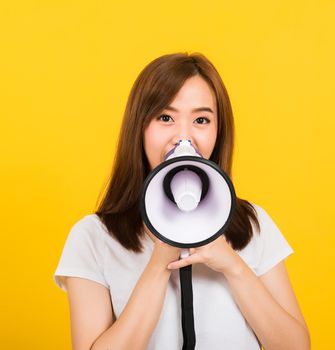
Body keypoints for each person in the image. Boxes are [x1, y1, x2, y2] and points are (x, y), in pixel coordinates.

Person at [54, 52, 310, 350]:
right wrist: (160, 260)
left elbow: (296, 347)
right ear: (140, 128)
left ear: (218, 131)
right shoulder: (94, 238)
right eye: (165, 118)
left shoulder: (252, 224)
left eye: (201, 119)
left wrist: (233, 265)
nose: (183, 137)